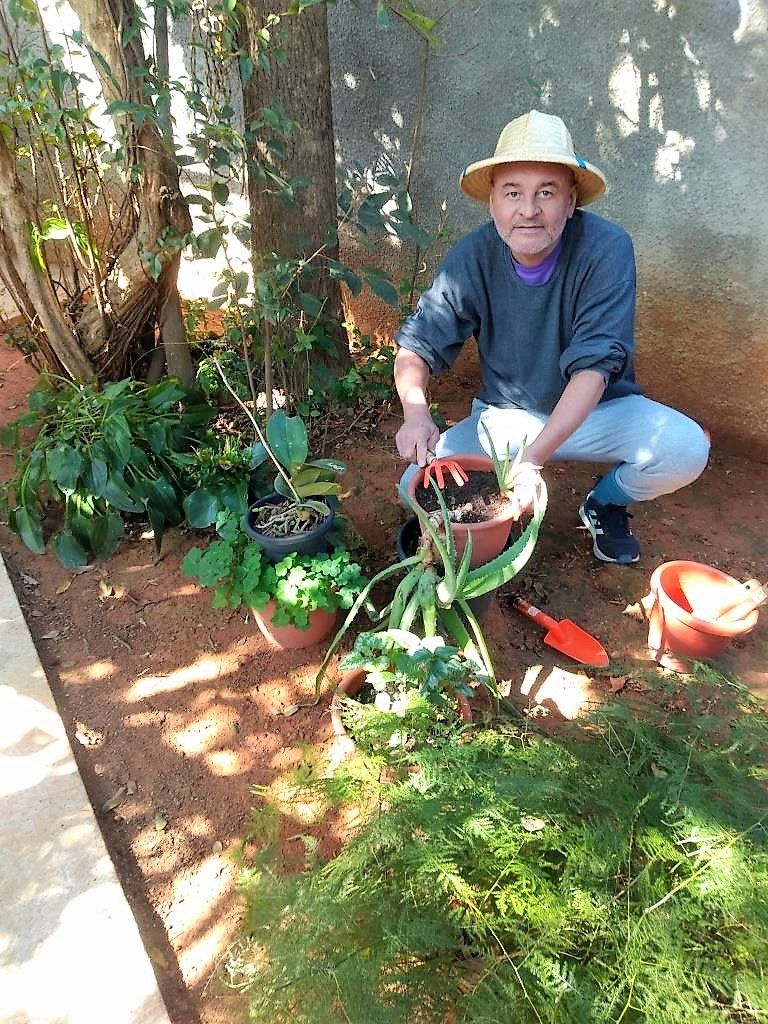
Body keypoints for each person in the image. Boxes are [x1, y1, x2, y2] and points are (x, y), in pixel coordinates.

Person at [394, 109, 710, 564]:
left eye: (546, 192)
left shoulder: (606, 248)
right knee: (414, 485)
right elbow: (417, 346)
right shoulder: (474, 255)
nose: (528, 210)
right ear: (493, 203)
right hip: (506, 418)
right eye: (512, 193)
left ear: (571, 199)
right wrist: (416, 413)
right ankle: (467, 531)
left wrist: (533, 460)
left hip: (602, 410)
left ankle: (606, 501)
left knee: (684, 449)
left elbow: (594, 369)